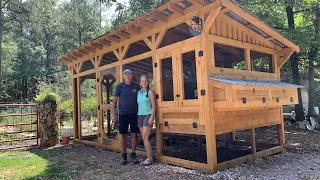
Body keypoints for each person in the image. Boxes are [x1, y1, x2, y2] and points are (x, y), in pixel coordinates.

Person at [112, 69, 140, 165]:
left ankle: (133, 154)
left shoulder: (136, 86)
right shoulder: (119, 86)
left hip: (134, 114)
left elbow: (141, 98)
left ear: (132, 76)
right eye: (126, 75)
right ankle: (123, 156)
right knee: (122, 135)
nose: (128, 76)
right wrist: (113, 113)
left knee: (134, 134)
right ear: (124, 76)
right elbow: (115, 101)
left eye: (130, 74)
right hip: (123, 114)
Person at [137, 75, 156, 166]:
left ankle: (150, 159)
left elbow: (154, 106)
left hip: (147, 115)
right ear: (140, 83)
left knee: (145, 137)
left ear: (147, 82)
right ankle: (148, 157)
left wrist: (152, 117)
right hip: (139, 115)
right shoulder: (139, 93)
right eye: (142, 81)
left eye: (145, 81)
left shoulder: (151, 92)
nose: (143, 83)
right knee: (144, 138)